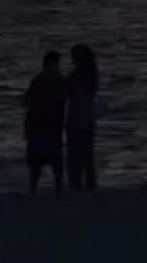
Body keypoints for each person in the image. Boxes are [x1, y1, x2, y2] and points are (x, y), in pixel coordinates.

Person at [22, 51, 69, 195]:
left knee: (35, 166)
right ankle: (58, 191)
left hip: (36, 126)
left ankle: (32, 192)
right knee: (56, 165)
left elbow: (26, 101)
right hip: (52, 127)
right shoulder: (60, 80)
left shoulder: (37, 80)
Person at [65, 44, 99, 191]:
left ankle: (77, 185)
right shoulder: (90, 75)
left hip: (79, 117)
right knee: (85, 156)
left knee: (77, 156)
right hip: (85, 117)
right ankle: (87, 185)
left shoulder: (80, 76)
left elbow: (73, 93)